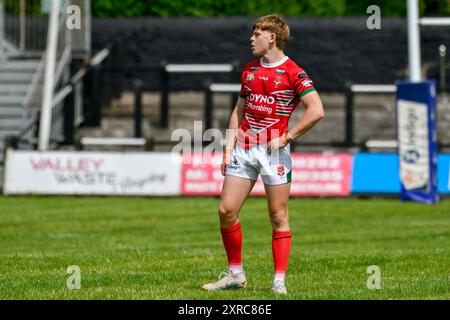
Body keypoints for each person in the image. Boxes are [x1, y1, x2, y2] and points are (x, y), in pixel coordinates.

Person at [202, 14, 324, 294]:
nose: (251, 38)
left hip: (273, 152)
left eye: (257, 33)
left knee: (278, 215)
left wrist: (287, 137)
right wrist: (228, 148)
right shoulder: (249, 71)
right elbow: (238, 111)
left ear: (273, 38)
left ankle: (279, 281)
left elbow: (316, 109)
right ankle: (235, 275)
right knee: (226, 210)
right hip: (243, 148)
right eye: (252, 32)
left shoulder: (294, 72)